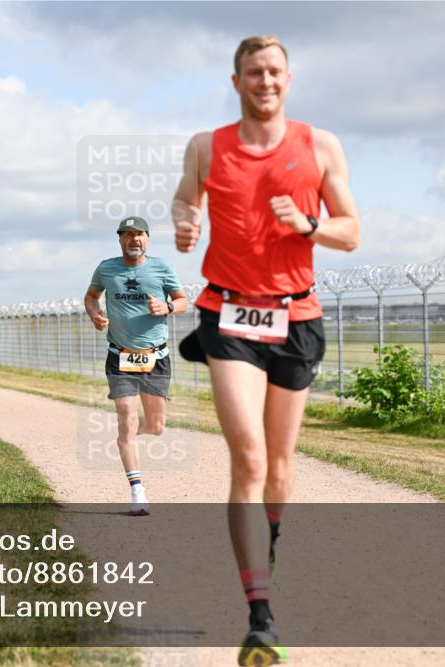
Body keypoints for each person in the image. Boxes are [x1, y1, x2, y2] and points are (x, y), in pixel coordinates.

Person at [172, 35, 360, 666]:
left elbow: (351, 231)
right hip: (227, 313)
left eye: (275, 71)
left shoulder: (320, 146)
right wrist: (185, 220)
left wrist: (308, 225)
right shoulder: (206, 146)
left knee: (280, 465)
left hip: (295, 316)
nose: (265, 81)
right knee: (249, 458)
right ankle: (260, 616)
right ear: (237, 82)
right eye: (254, 72)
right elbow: (184, 197)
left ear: (288, 78)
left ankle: (267, 536)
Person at [84, 216, 188, 516]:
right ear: (120, 239)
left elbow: (183, 301)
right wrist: (95, 314)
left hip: (156, 357)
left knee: (156, 427)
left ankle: (128, 433)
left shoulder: (162, 268)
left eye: (139, 234)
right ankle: (137, 491)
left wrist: (167, 306)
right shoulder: (106, 268)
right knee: (127, 420)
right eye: (128, 234)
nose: (134, 239)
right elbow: (91, 297)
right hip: (120, 356)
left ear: (147, 238)